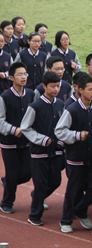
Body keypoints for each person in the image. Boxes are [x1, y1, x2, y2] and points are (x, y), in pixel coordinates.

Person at [55, 75, 92, 233]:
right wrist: (76, 135)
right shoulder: (72, 109)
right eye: (90, 89)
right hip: (76, 158)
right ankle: (66, 220)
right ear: (80, 90)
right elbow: (59, 131)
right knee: (73, 190)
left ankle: (80, 210)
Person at [21, 71, 65, 226]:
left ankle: (37, 196)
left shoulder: (60, 104)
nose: (56, 89)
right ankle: (34, 215)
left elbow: (63, 127)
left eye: (58, 86)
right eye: (52, 86)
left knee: (56, 181)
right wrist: (41, 139)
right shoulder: (35, 106)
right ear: (44, 86)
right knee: (40, 183)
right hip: (39, 153)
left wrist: (61, 141)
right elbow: (25, 128)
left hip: (56, 152)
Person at [0, 63, 34, 214]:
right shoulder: (4, 97)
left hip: (26, 142)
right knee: (13, 174)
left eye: (25, 74)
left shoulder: (32, 95)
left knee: (27, 173)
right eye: (20, 74)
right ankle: (6, 202)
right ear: (12, 77)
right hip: (9, 143)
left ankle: (8, 182)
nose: (23, 77)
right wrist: (13, 130)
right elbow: (0, 121)